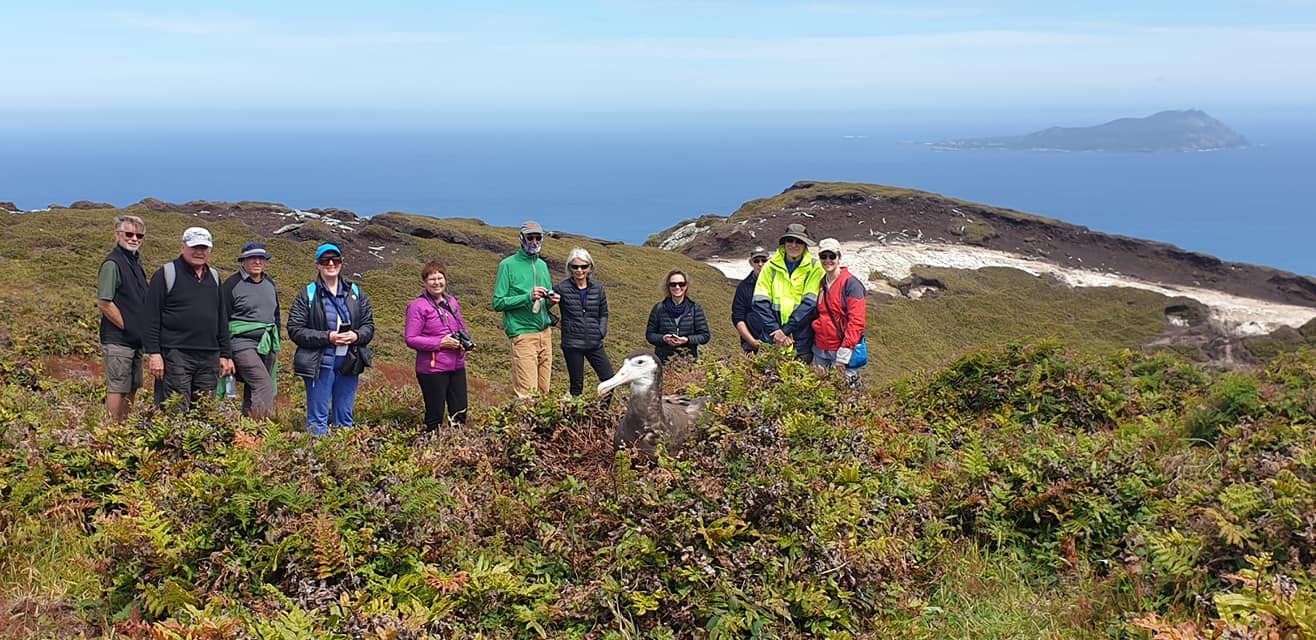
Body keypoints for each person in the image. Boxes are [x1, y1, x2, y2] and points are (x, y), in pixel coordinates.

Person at [287, 244, 375, 435]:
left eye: (335, 260)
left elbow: (369, 326)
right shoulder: (307, 294)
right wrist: (328, 337)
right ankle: (316, 458)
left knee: (345, 416)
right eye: (325, 260)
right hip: (320, 364)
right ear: (317, 265)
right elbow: (295, 330)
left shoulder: (356, 293)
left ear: (341, 263)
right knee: (318, 417)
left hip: (349, 363)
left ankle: (343, 458)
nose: (331, 264)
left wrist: (356, 336)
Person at [144, 226, 234, 411]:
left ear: (209, 250)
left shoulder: (215, 277)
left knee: (205, 410)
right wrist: (154, 354)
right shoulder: (166, 274)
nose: (199, 252)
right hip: (176, 353)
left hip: (209, 355)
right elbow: (151, 317)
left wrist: (226, 354)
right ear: (182, 247)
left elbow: (221, 318)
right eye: (194, 247)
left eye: (204, 248)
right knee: (175, 408)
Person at [492, 221, 558, 398]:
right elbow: (498, 302)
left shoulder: (542, 266)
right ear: (522, 239)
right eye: (530, 237)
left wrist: (551, 301)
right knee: (528, 395)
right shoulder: (507, 265)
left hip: (545, 334)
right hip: (523, 335)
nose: (534, 241)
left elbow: (543, 303)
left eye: (538, 237)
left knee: (544, 392)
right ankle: (524, 426)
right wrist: (527, 296)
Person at [405, 260, 471, 429]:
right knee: (435, 413)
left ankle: (456, 448)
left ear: (445, 279)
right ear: (425, 282)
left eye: (440, 278)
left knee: (460, 411)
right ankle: (430, 449)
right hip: (432, 369)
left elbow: (461, 325)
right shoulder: (417, 306)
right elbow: (411, 338)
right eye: (432, 279)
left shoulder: (452, 302)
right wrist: (440, 343)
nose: (437, 282)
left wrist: (465, 342)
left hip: (456, 365)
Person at [96, 214, 149, 421]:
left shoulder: (135, 262)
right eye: (129, 234)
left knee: (133, 385)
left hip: (136, 340)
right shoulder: (113, 264)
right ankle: (111, 431)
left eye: (139, 235)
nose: (134, 238)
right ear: (117, 235)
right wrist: (127, 328)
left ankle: (124, 427)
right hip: (119, 339)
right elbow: (105, 303)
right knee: (118, 386)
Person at [221, 242, 281, 419]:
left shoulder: (270, 283)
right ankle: (261, 429)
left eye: (261, 258)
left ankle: (247, 430)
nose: (257, 261)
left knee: (252, 386)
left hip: (266, 343)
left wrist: (275, 338)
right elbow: (222, 320)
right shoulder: (232, 285)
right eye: (252, 258)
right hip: (241, 344)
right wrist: (226, 354)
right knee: (263, 384)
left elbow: (275, 314)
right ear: (243, 261)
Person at [753, 223, 824, 363]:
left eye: (799, 241)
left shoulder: (815, 268)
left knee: (798, 383)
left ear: (805, 245)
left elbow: (809, 305)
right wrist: (776, 331)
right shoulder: (770, 267)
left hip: (800, 343)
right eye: (790, 240)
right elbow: (759, 302)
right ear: (784, 243)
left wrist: (784, 331)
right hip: (771, 339)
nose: (794, 245)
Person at [553, 247, 614, 397]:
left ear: (590, 268)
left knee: (609, 380)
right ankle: (577, 419)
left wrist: (601, 331)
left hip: (595, 343)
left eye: (583, 266)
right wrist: (556, 322)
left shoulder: (598, 288)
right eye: (575, 267)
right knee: (576, 386)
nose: (579, 270)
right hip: (572, 344)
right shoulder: (561, 288)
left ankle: (601, 415)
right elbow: (542, 308)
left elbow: (604, 313)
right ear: (570, 268)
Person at [811, 238, 867, 385]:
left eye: (832, 256)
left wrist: (845, 353)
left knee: (845, 395)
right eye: (824, 256)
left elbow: (857, 321)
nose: (827, 260)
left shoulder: (851, 284)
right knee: (822, 393)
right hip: (820, 349)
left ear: (839, 258)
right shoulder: (822, 283)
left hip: (841, 351)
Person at [645, 269, 711, 365]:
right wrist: (663, 338)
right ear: (668, 287)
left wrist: (687, 340)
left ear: (686, 286)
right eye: (673, 284)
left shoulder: (695, 308)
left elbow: (705, 336)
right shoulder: (659, 308)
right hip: (664, 362)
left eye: (681, 284)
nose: (677, 287)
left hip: (688, 363)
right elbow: (650, 335)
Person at [731, 246, 770, 352]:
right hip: (751, 346)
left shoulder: (778, 283)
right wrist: (753, 342)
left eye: (764, 260)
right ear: (751, 262)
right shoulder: (743, 287)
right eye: (756, 261)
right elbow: (738, 317)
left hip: (776, 343)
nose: (760, 264)